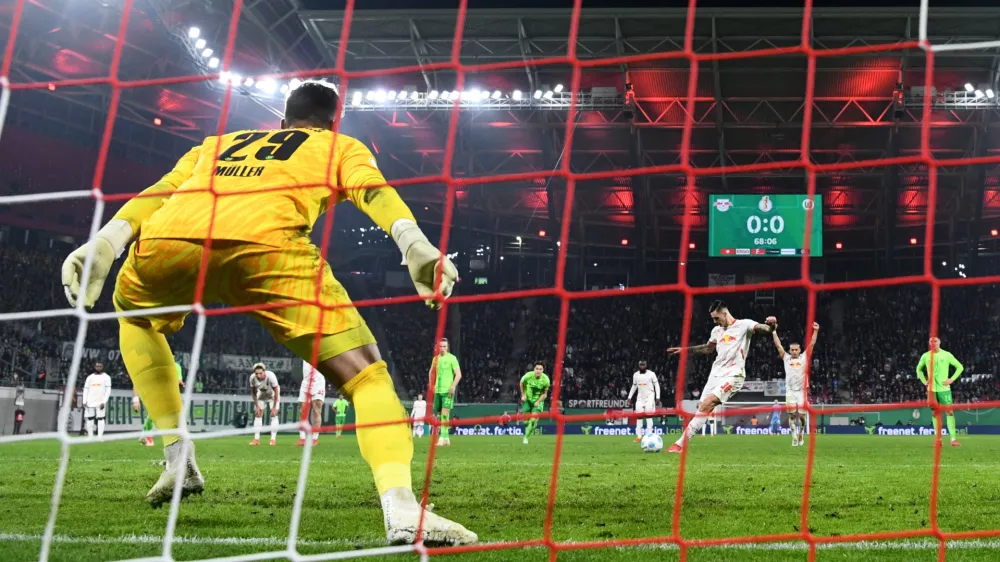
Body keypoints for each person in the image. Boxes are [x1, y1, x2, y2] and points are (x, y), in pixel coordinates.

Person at [59, 81, 474, 545]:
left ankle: (178, 456)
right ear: (332, 122)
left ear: (280, 121)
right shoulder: (339, 145)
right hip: (267, 249)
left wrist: (107, 241)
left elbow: (159, 193)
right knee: (366, 378)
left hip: (167, 244)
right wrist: (413, 242)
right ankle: (400, 508)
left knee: (134, 318)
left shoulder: (216, 144)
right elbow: (372, 190)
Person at [665, 300, 775, 453]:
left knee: (706, 404)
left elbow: (764, 330)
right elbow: (708, 348)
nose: (715, 321)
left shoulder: (744, 325)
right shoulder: (717, 331)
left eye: (717, 318)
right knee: (701, 408)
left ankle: (679, 445)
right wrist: (685, 350)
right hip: (715, 374)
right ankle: (682, 443)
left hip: (734, 375)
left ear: (725, 313)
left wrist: (772, 326)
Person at [772, 322, 819, 446]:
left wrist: (816, 331)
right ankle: (793, 435)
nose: (793, 352)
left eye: (796, 350)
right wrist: (773, 331)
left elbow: (812, 343)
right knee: (792, 416)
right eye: (792, 350)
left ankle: (801, 433)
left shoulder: (804, 357)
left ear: (799, 350)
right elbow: (778, 345)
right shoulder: (786, 358)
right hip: (790, 392)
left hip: (802, 392)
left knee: (803, 418)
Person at [916, 337, 964, 447]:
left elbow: (960, 367)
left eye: (935, 341)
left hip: (944, 390)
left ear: (939, 343)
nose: (933, 344)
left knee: (950, 412)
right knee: (934, 413)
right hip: (931, 390)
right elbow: (918, 369)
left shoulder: (946, 355)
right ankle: (938, 440)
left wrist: (951, 379)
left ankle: (953, 439)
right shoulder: (925, 356)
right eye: (931, 342)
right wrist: (924, 381)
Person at [134, 358, 183, 446]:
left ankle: (146, 436)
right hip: (155, 393)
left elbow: (179, 380)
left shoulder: (176, 366)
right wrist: (136, 399)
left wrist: (180, 384)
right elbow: (138, 381)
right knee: (153, 415)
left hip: (170, 395)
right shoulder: (154, 366)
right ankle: (148, 437)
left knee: (158, 416)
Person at [429, 339, 462, 447]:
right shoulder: (435, 359)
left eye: (444, 346)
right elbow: (431, 372)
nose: (442, 348)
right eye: (440, 346)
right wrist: (431, 385)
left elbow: (458, 374)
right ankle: (446, 437)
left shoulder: (452, 358)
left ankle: (442, 438)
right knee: (440, 414)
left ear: (447, 347)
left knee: (444, 414)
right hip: (438, 390)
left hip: (447, 391)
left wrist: (453, 386)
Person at [628, 360, 660, 442]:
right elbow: (634, 386)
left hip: (650, 396)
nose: (642, 366)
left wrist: (658, 397)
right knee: (639, 416)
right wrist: (629, 397)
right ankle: (639, 436)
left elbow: (656, 385)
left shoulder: (651, 374)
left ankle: (649, 435)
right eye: (641, 365)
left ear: (646, 365)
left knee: (648, 415)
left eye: (643, 365)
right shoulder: (635, 375)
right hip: (640, 398)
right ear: (639, 366)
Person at [249, 362, 280, 446]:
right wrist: (257, 406)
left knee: (274, 414)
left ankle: (273, 439)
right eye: (256, 373)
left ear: (264, 372)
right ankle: (256, 439)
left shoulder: (271, 376)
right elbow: (253, 393)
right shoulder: (252, 378)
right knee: (258, 414)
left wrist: (274, 407)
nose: (258, 375)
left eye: (260, 373)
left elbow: (276, 391)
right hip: (261, 395)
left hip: (272, 395)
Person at [519, 362, 550, 445]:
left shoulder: (546, 380)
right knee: (525, 422)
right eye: (537, 369)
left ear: (543, 370)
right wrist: (523, 395)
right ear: (534, 369)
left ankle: (526, 438)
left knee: (532, 420)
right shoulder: (528, 376)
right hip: (527, 401)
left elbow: (545, 394)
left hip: (538, 402)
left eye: (540, 369)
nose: (538, 371)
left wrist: (538, 401)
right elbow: (521, 383)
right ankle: (532, 424)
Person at [298, 360, 327, 446]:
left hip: (318, 382)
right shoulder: (304, 348)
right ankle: (302, 438)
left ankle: (314, 438)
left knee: (316, 410)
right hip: (306, 382)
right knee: (302, 411)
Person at [82, 362, 112, 439]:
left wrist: (104, 401)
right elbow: (86, 389)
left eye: (100, 366)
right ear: (95, 367)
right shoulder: (89, 377)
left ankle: (99, 437)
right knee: (90, 418)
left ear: (103, 367)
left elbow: (108, 391)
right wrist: (84, 401)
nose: (98, 367)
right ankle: (90, 437)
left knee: (101, 418)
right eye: (97, 366)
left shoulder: (107, 377)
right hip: (90, 401)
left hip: (100, 401)